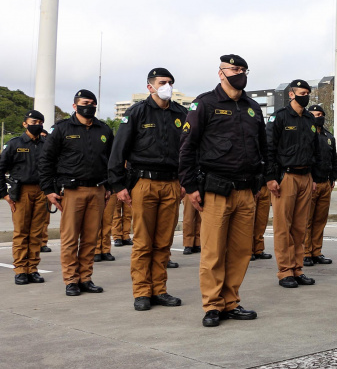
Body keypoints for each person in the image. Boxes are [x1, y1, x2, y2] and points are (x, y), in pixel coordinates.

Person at [179, 54, 267, 327]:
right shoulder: (204, 103)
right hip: (215, 190)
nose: (240, 73)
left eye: (243, 69)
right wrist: (190, 185)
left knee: (240, 251)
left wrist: (258, 182)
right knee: (214, 252)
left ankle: (231, 301)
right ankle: (213, 305)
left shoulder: (252, 107)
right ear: (221, 73)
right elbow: (187, 146)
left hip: (245, 191)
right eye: (234, 69)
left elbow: (263, 148)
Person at [107, 67, 186, 311]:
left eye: (171, 82)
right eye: (163, 82)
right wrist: (118, 185)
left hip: (172, 183)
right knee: (143, 241)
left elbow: (189, 150)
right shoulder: (136, 113)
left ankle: (159, 289)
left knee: (164, 241)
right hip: (144, 182)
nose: (168, 86)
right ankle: (142, 291)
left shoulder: (181, 113)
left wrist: (186, 182)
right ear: (150, 86)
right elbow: (118, 151)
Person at [39, 90, 113, 296]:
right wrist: (48, 189)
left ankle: (85, 278)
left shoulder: (104, 130)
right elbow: (46, 160)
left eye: (92, 103)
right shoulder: (62, 129)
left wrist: (109, 187)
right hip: (72, 190)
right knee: (71, 238)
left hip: (98, 190)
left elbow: (111, 161)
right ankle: (71, 280)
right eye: (84, 102)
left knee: (90, 238)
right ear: (75, 106)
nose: (88, 105)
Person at [263, 78, 319, 288]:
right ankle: (285, 271)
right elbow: (268, 148)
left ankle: (297, 269)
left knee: (300, 227)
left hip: (306, 176)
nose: (305, 96)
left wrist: (313, 177)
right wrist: (270, 177)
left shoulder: (309, 119)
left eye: (307, 93)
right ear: (291, 94)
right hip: (285, 176)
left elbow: (314, 149)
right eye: (301, 92)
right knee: (282, 227)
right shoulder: (279, 117)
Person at [0, 110, 49, 284]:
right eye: (34, 121)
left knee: (36, 233)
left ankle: (32, 269)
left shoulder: (47, 143)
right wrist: (4, 194)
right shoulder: (14, 144)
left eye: (40, 122)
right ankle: (21, 269)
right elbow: (1, 168)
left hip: (42, 191)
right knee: (21, 232)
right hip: (22, 192)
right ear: (25, 123)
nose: (37, 124)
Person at [305, 104, 337, 266]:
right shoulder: (306, 134)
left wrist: (333, 178)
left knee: (320, 220)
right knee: (307, 220)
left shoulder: (328, 136)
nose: (318, 117)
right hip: (311, 183)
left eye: (320, 114)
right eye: (314, 114)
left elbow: (334, 159)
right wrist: (309, 179)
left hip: (325, 183)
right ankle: (306, 252)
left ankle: (316, 251)